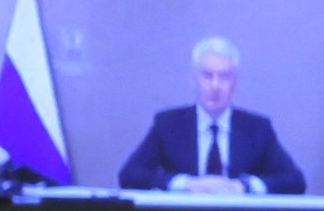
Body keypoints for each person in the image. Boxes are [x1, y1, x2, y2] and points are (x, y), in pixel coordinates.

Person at [118, 37, 306, 195]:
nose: (215, 86)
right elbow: (129, 175)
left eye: (224, 77)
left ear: (235, 83)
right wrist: (186, 184)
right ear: (193, 80)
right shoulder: (168, 125)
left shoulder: (257, 129)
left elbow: (294, 180)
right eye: (207, 76)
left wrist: (244, 186)